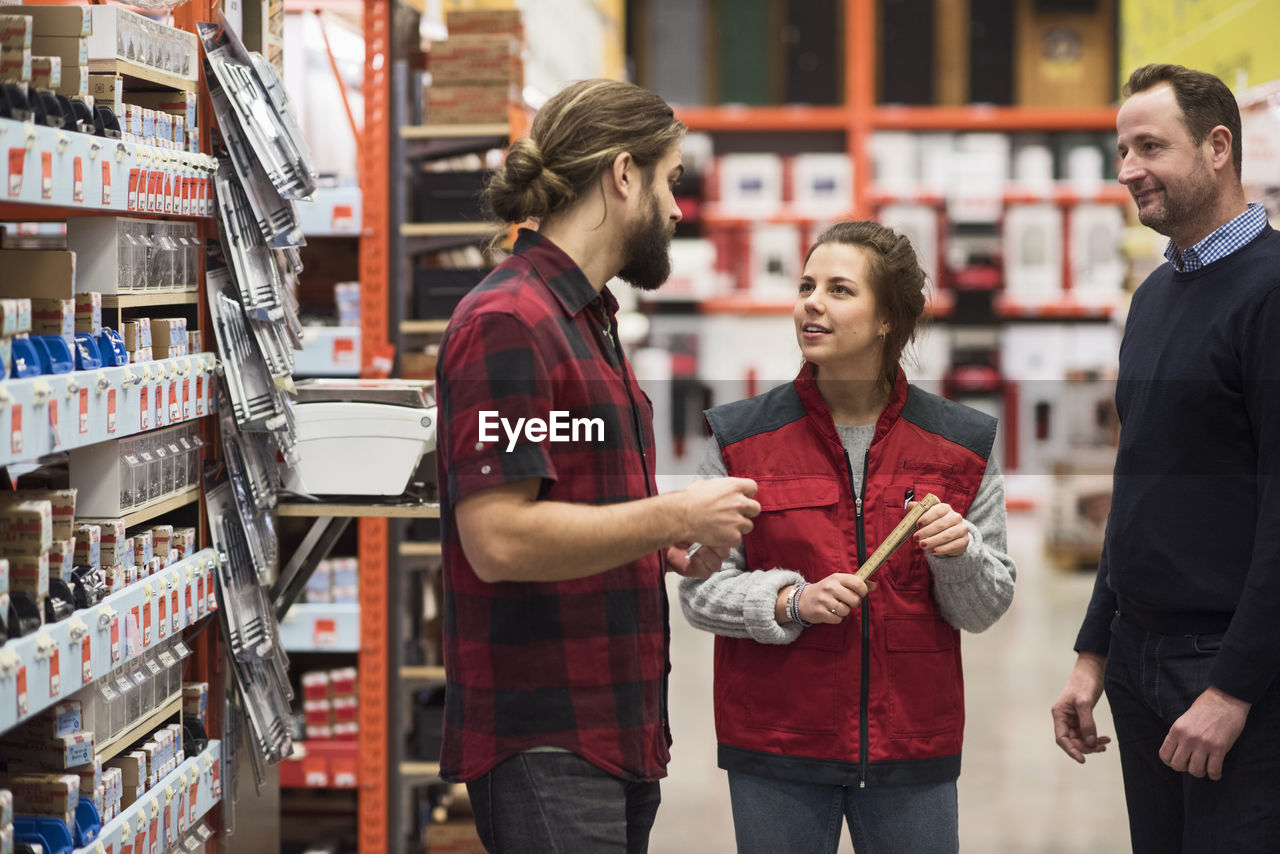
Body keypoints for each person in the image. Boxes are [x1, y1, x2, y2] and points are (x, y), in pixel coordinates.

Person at [434, 78, 761, 854]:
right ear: (623, 175)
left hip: (614, 724)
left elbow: (571, 495)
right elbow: (499, 538)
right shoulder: (509, 322)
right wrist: (677, 513)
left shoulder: (587, 319)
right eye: (670, 179)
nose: (678, 208)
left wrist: (664, 547)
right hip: (548, 733)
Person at [679, 220, 1016, 854]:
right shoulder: (740, 439)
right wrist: (787, 602)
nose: (811, 302)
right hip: (775, 747)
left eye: (839, 289)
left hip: (912, 749)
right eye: (806, 285)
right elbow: (699, 590)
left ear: (888, 317)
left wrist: (960, 554)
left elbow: (985, 608)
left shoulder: (962, 446)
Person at [1050, 63, 1280, 853]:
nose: (1128, 170)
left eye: (1150, 146)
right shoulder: (1154, 297)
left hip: (1229, 671)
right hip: (1142, 668)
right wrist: (1093, 652)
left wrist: (1234, 689)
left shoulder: (1270, 292)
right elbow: (1136, 486)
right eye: (1121, 151)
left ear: (1219, 146)